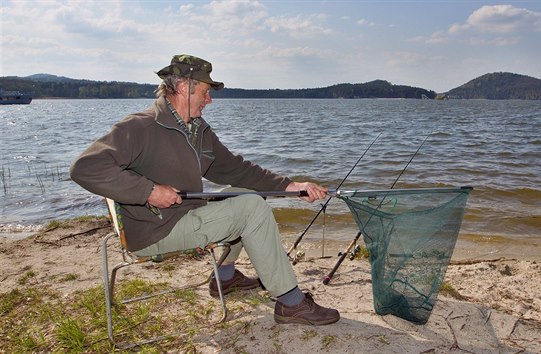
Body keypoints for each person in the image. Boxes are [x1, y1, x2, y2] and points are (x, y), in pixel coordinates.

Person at [70, 54, 340, 325]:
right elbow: (85, 168)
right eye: (206, 91)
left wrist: (291, 186)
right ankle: (290, 303)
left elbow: (236, 168)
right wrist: (149, 190)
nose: (209, 99)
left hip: (183, 217)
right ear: (185, 87)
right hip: (156, 230)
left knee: (240, 191)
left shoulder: (197, 130)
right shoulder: (141, 126)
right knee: (252, 208)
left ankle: (224, 278)